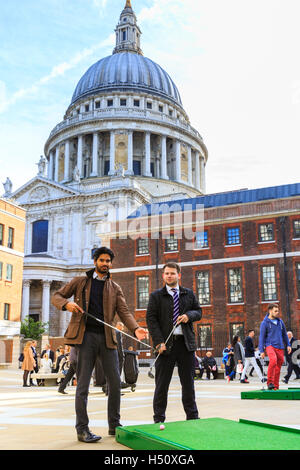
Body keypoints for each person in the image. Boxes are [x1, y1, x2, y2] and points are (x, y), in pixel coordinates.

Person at [51, 246, 147, 443]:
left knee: (114, 383)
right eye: (102, 260)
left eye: (108, 261)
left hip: (107, 338)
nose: (105, 264)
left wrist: (135, 328)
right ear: (95, 261)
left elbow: (124, 311)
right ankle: (82, 429)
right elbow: (57, 296)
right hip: (85, 338)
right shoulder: (79, 282)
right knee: (83, 385)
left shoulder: (115, 287)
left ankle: (114, 425)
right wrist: (66, 304)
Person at [146, 262, 202, 423]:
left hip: (186, 345)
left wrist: (188, 316)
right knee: (162, 385)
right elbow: (151, 320)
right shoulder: (156, 296)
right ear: (163, 276)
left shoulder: (188, 294)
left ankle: (192, 417)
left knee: (188, 385)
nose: (169, 276)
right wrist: (158, 343)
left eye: (172, 273)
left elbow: (198, 312)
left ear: (179, 275)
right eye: (166, 273)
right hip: (165, 347)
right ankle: (159, 418)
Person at [259, 304, 291, 391]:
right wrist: (261, 350)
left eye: (278, 311)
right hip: (270, 345)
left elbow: (284, 334)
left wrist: (288, 345)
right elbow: (261, 337)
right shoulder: (264, 323)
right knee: (273, 360)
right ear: (270, 311)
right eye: (275, 311)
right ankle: (270, 382)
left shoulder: (280, 322)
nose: (277, 313)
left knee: (278, 366)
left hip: (280, 346)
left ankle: (276, 386)